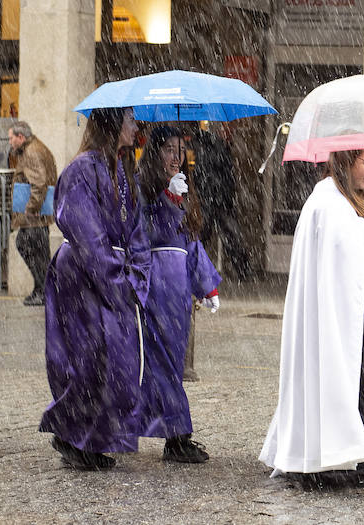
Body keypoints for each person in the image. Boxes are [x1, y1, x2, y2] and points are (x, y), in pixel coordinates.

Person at [259, 148, 364, 487]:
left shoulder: (342, 200)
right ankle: (326, 454)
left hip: (348, 305)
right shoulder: (328, 203)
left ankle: (340, 451)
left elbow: (350, 253)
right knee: (331, 373)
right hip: (332, 310)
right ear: (346, 161)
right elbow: (336, 256)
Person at [39, 107, 151, 471]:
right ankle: (75, 436)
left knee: (114, 360)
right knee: (88, 359)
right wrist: (115, 277)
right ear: (112, 123)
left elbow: (134, 227)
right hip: (84, 274)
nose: (134, 127)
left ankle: (91, 436)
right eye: (129, 120)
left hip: (108, 271)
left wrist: (136, 270)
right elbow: (85, 230)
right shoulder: (82, 169)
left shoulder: (121, 169)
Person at [137, 126, 221, 463]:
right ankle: (177, 434)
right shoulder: (145, 188)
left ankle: (173, 433)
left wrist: (207, 284)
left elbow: (190, 241)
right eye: (169, 149)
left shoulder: (182, 190)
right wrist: (164, 200)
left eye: (180, 149)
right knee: (163, 365)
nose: (176, 156)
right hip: (156, 286)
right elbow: (144, 234)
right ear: (155, 153)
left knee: (173, 362)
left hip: (178, 292)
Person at [191, 121, 253, 281]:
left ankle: (242, 271)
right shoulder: (213, 146)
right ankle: (193, 269)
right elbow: (210, 172)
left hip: (219, 199)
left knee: (228, 237)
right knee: (213, 235)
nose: (231, 132)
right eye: (228, 128)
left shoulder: (219, 146)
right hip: (213, 199)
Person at [8, 121, 58, 306]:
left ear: (21, 137)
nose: (10, 142)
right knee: (39, 253)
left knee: (29, 247)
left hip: (35, 217)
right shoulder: (34, 149)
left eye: (11, 138)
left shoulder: (31, 152)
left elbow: (39, 183)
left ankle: (43, 291)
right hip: (38, 215)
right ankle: (42, 290)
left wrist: (31, 209)